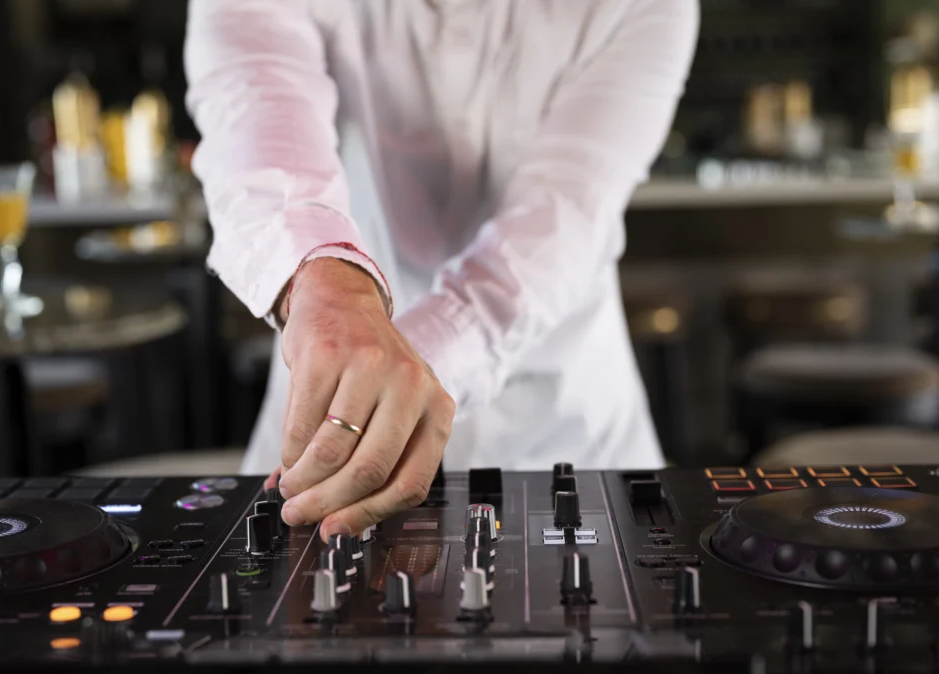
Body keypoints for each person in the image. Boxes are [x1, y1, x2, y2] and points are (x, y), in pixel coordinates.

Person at [184, 0, 699, 540]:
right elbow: (257, 103)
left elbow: (560, 219)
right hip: (331, 414)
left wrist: (400, 368)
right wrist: (326, 284)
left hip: (566, 428)